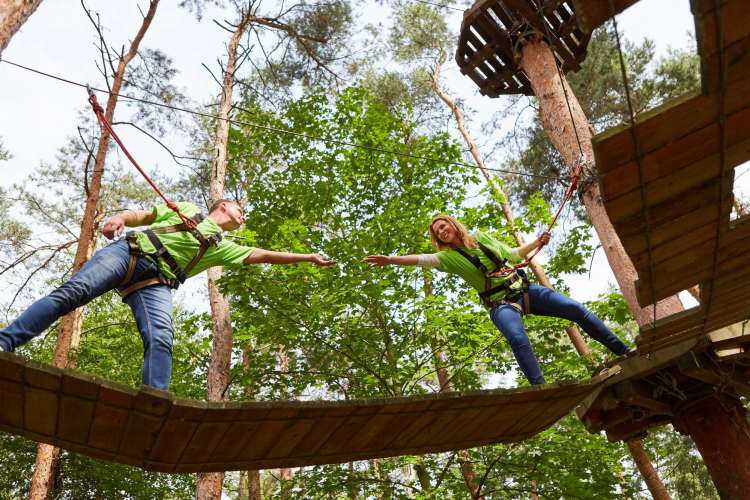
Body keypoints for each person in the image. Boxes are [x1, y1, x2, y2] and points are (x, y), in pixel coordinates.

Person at [0, 199, 335, 390]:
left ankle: (153, 401)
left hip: (155, 283)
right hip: (127, 254)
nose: (243, 215)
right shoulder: (186, 210)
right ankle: (5, 342)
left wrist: (306, 257)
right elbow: (142, 216)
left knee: (161, 337)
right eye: (239, 209)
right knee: (71, 295)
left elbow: (261, 254)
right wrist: (117, 218)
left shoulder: (223, 248)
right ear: (222, 206)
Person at [365, 215, 631, 385]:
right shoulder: (448, 259)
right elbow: (420, 259)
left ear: (453, 225)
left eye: (443, 226)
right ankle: (539, 387)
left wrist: (537, 243)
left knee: (575, 309)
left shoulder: (481, 239)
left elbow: (513, 256)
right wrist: (391, 260)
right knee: (517, 338)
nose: (442, 232)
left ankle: (623, 350)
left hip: (524, 290)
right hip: (501, 305)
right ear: (438, 240)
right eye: (437, 232)